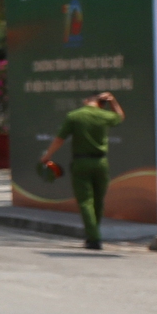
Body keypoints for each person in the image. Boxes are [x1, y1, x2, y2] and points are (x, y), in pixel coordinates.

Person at [41, 91, 126, 249]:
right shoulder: (104, 115)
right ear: (102, 104)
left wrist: (47, 155)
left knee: (86, 201)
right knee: (98, 201)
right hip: (101, 162)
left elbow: (59, 139)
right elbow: (120, 117)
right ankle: (93, 233)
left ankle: (94, 237)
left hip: (81, 162)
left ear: (87, 100)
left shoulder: (75, 116)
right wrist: (113, 101)